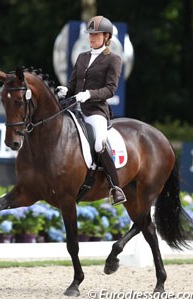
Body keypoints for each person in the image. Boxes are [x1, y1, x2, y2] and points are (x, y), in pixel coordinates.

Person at [57, 16, 126, 204]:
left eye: (96, 35)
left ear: (106, 36)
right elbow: (72, 84)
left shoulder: (113, 59)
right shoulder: (82, 57)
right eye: (90, 35)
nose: (92, 38)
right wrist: (65, 90)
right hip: (74, 108)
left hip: (96, 110)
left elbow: (111, 89)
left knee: (98, 143)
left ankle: (115, 186)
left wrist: (88, 94)